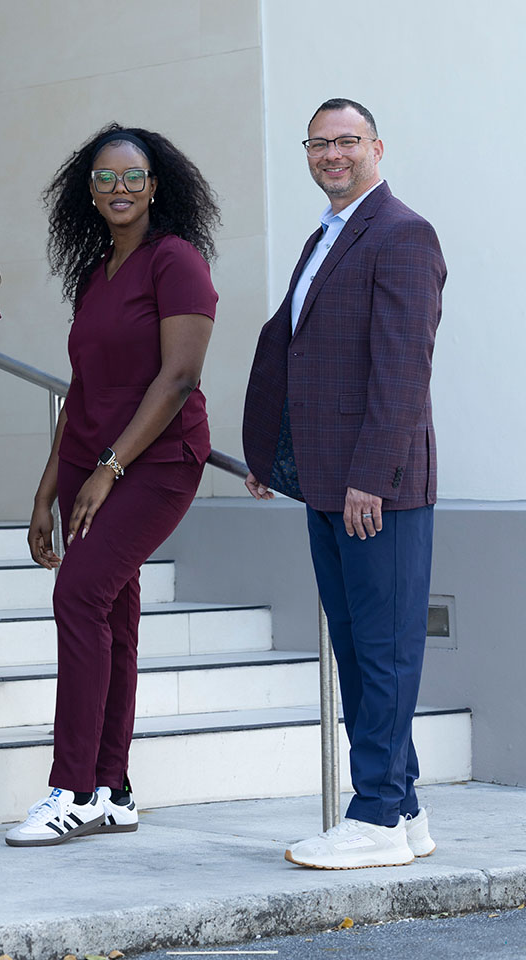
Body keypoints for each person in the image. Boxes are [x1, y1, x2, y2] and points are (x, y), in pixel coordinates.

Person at [242, 99, 447, 869]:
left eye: (347, 142)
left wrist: (370, 479)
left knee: (386, 651)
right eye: (319, 143)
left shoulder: (402, 234)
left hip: (377, 489)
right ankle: (408, 811)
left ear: (377, 147)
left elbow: (402, 371)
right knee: (360, 653)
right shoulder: (328, 234)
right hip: (328, 485)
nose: (332, 154)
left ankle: (375, 816)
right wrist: (274, 455)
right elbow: (302, 350)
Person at [5, 124, 220, 847]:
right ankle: (113, 788)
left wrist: (109, 468)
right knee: (114, 616)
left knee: (79, 595)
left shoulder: (176, 262)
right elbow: (85, 388)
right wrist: (46, 488)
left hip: (155, 464)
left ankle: (70, 787)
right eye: (104, 178)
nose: (119, 189)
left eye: (133, 177)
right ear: (87, 192)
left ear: (157, 186)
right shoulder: (96, 272)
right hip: (91, 462)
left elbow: (178, 377)